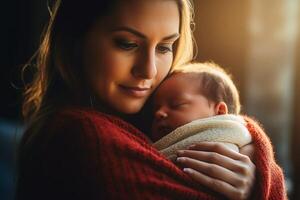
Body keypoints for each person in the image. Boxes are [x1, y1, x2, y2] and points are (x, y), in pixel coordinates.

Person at [16, 0, 286, 199]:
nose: (149, 70)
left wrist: (255, 168)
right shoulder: (83, 135)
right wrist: (262, 180)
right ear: (76, 40)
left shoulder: (150, 126)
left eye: (164, 47)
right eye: (127, 43)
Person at [151, 62, 252, 159]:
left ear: (220, 112)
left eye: (177, 104)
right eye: (156, 108)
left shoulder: (226, 149)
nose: (159, 113)